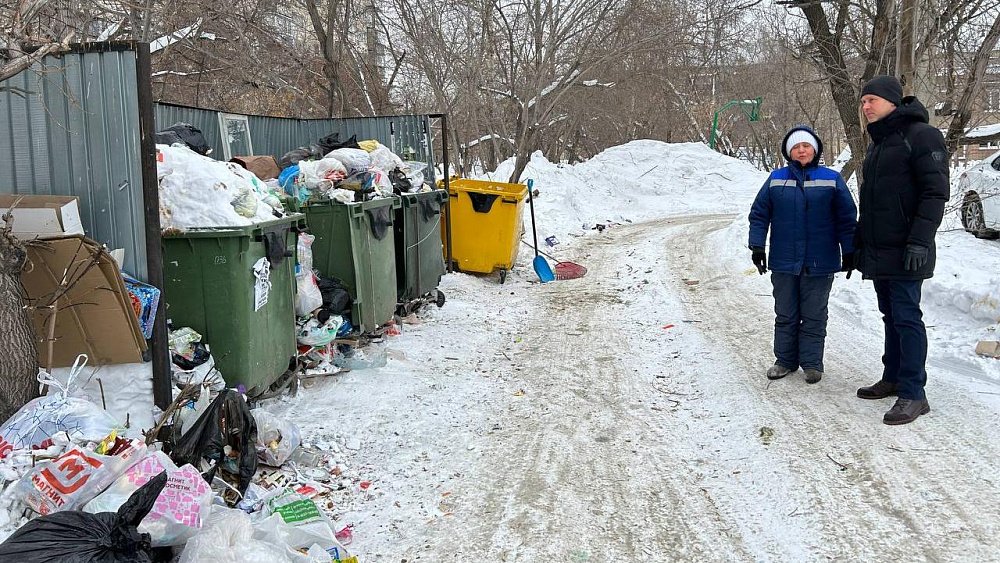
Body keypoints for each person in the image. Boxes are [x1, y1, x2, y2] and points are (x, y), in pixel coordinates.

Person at [853, 75, 949, 425]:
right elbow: (874, 202)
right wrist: (859, 244)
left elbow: (934, 193)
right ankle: (892, 377)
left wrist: (920, 240)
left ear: (893, 101)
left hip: (910, 249)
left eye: (872, 100)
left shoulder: (922, 135)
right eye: (863, 102)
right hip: (882, 250)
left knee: (907, 318)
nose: (866, 107)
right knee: (890, 315)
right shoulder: (879, 143)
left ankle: (914, 393)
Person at [748, 125, 857, 385]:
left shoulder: (832, 179)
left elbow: (847, 219)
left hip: (820, 261)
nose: (801, 150)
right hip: (784, 261)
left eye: (805, 145)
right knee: (785, 313)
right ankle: (785, 360)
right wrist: (757, 247)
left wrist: (851, 251)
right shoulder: (776, 179)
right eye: (796, 147)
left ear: (815, 148)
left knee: (814, 314)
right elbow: (759, 214)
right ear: (789, 152)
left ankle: (812, 363)